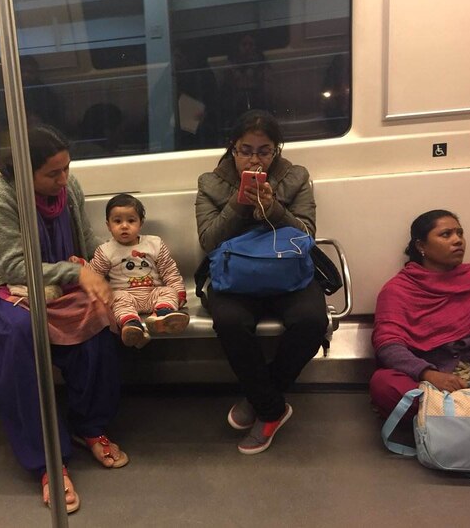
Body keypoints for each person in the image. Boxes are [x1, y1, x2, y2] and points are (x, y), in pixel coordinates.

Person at [0, 124, 128, 515]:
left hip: (61, 283)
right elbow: (11, 265)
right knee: (21, 333)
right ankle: (47, 460)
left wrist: (114, 265)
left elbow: (85, 241)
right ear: (24, 174)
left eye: (66, 169)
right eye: (52, 173)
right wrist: (76, 274)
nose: (63, 180)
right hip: (9, 290)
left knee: (101, 312)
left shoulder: (68, 189)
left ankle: (88, 424)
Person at [195, 109, 327, 455]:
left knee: (313, 321)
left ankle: (260, 400)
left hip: (288, 270)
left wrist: (275, 210)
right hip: (235, 274)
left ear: (276, 150)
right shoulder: (210, 183)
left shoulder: (296, 178)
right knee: (229, 321)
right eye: (246, 150)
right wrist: (239, 205)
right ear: (232, 149)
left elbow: (308, 234)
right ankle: (271, 408)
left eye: (264, 151)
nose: (254, 159)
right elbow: (208, 241)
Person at [370, 210, 470, 420]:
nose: (458, 241)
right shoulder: (398, 290)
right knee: (384, 384)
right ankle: (469, 414)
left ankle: (447, 417)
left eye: (460, 233)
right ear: (421, 246)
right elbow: (388, 345)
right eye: (446, 235)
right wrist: (428, 374)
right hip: (428, 380)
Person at [85, 193, 189, 348]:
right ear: (108, 225)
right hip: (126, 295)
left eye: (131, 221)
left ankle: (162, 316)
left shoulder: (155, 244)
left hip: (152, 293)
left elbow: (169, 271)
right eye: (117, 221)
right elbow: (94, 276)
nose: (124, 226)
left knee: (168, 291)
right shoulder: (106, 251)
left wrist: (179, 292)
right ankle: (131, 325)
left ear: (140, 223)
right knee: (116, 298)